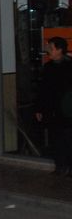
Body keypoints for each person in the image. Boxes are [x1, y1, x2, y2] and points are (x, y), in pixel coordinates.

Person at [36, 37, 72, 175]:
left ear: (60, 50)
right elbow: (42, 89)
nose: (47, 51)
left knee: (68, 138)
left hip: (67, 109)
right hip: (52, 109)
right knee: (56, 138)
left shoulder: (69, 66)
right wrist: (39, 108)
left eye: (51, 48)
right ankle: (60, 166)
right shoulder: (48, 67)